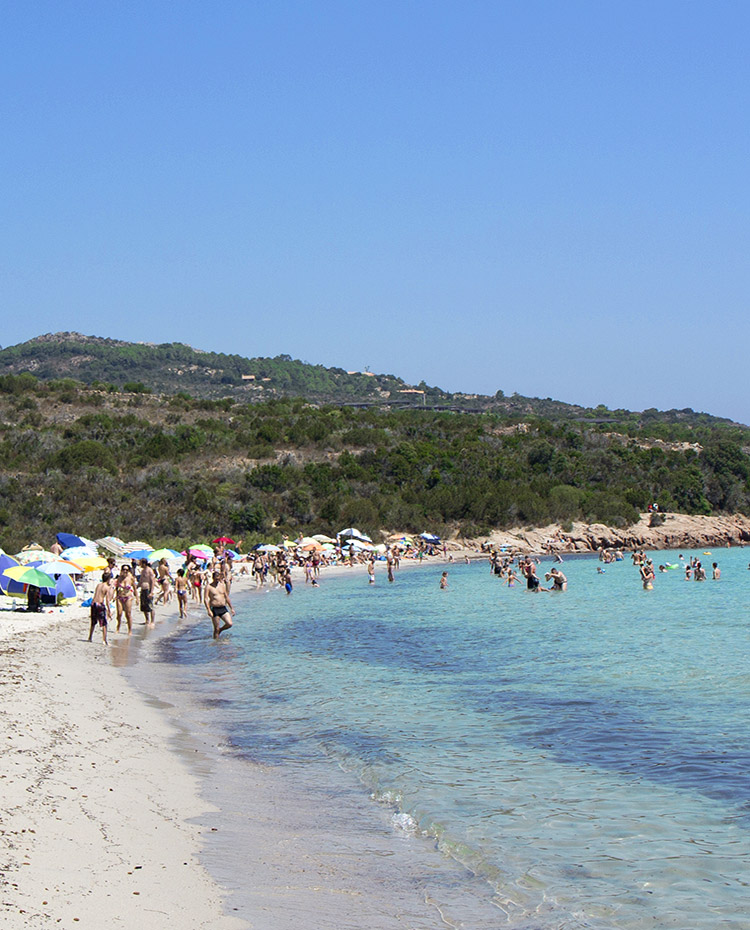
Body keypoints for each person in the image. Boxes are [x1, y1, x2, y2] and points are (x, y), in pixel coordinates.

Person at [204, 570, 235, 638]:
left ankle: (220, 630)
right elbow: (206, 599)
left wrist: (231, 608)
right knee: (216, 628)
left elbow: (226, 597)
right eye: (216, 579)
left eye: (218, 579)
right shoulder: (209, 587)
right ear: (213, 578)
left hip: (223, 608)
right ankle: (215, 643)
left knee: (229, 624)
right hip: (214, 609)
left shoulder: (222, 585)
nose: (217, 580)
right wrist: (208, 610)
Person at [88, 571, 112, 645]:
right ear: (108, 579)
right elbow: (107, 600)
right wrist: (109, 610)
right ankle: (104, 640)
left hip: (94, 603)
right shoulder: (107, 587)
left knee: (93, 622)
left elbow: (95, 595)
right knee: (104, 623)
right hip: (100, 605)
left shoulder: (98, 585)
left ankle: (90, 637)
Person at [115, 565, 137, 634]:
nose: (125, 571)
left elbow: (135, 588)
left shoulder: (131, 578)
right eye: (124, 569)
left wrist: (137, 598)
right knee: (119, 613)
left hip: (128, 597)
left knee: (128, 614)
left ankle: (130, 630)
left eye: (127, 570)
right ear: (121, 570)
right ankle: (118, 627)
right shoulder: (119, 578)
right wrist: (114, 596)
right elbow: (116, 588)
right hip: (120, 597)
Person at [138, 558, 156, 627]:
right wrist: (137, 587)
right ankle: (147, 620)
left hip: (148, 589)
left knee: (150, 606)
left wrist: (151, 592)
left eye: (140, 563)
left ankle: (152, 621)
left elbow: (152, 581)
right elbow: (141, 580)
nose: (139, 564)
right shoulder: (142, 571)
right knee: (143, 606)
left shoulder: (149, 570)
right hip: (143, 589)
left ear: (144, 563)